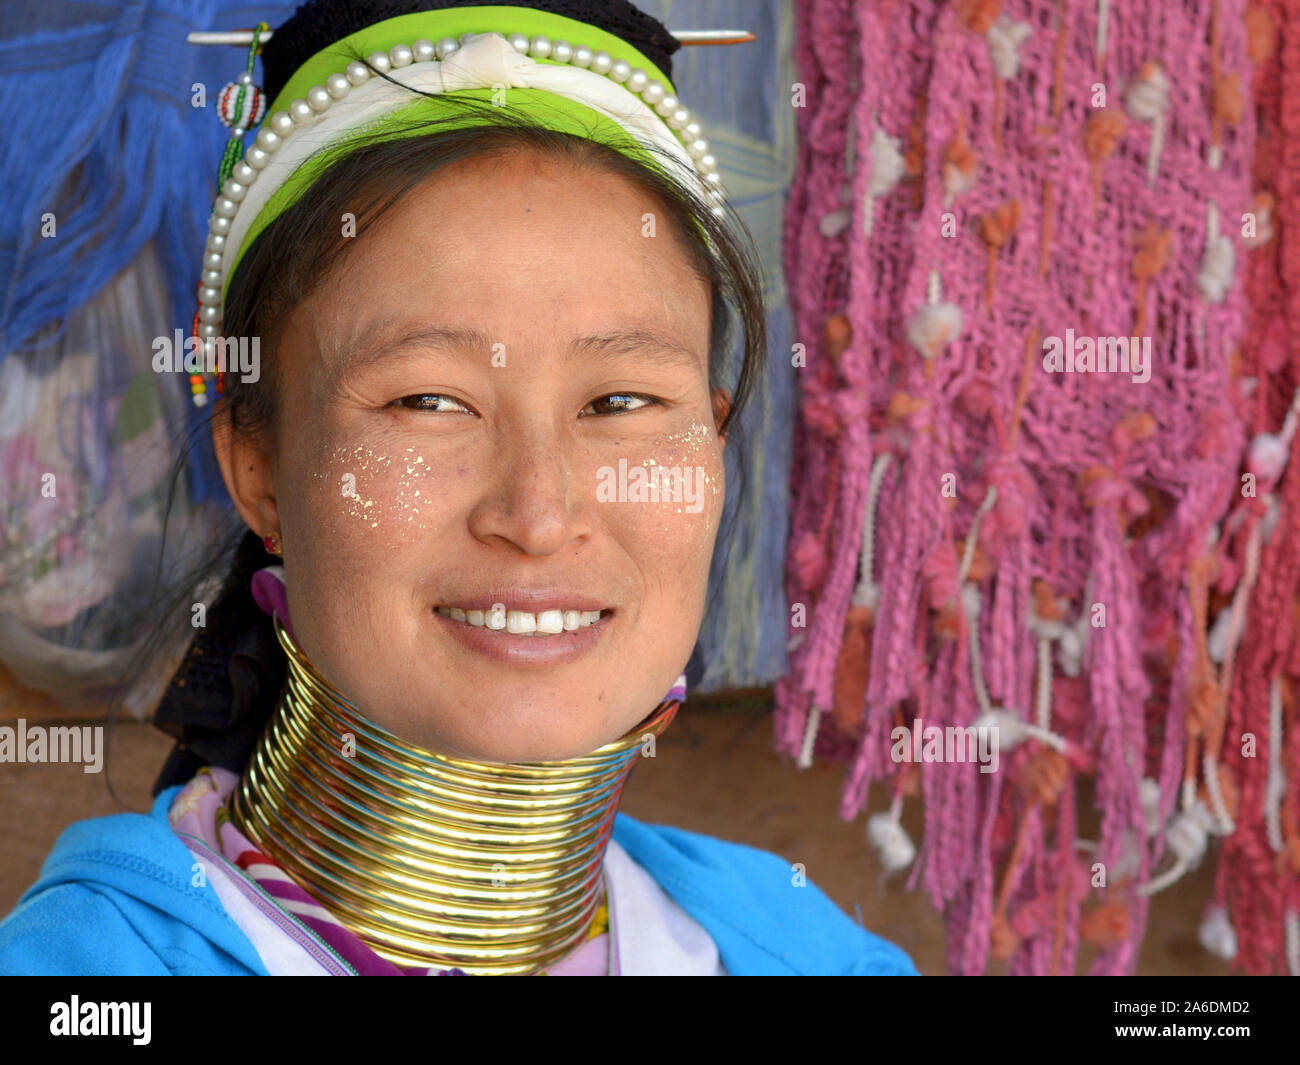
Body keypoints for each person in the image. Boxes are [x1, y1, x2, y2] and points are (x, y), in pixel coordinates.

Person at [0, 0, 917, 975]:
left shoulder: (810, 954)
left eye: (618, 401)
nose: (537, 513)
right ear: (258, 469)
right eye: (428, 401)